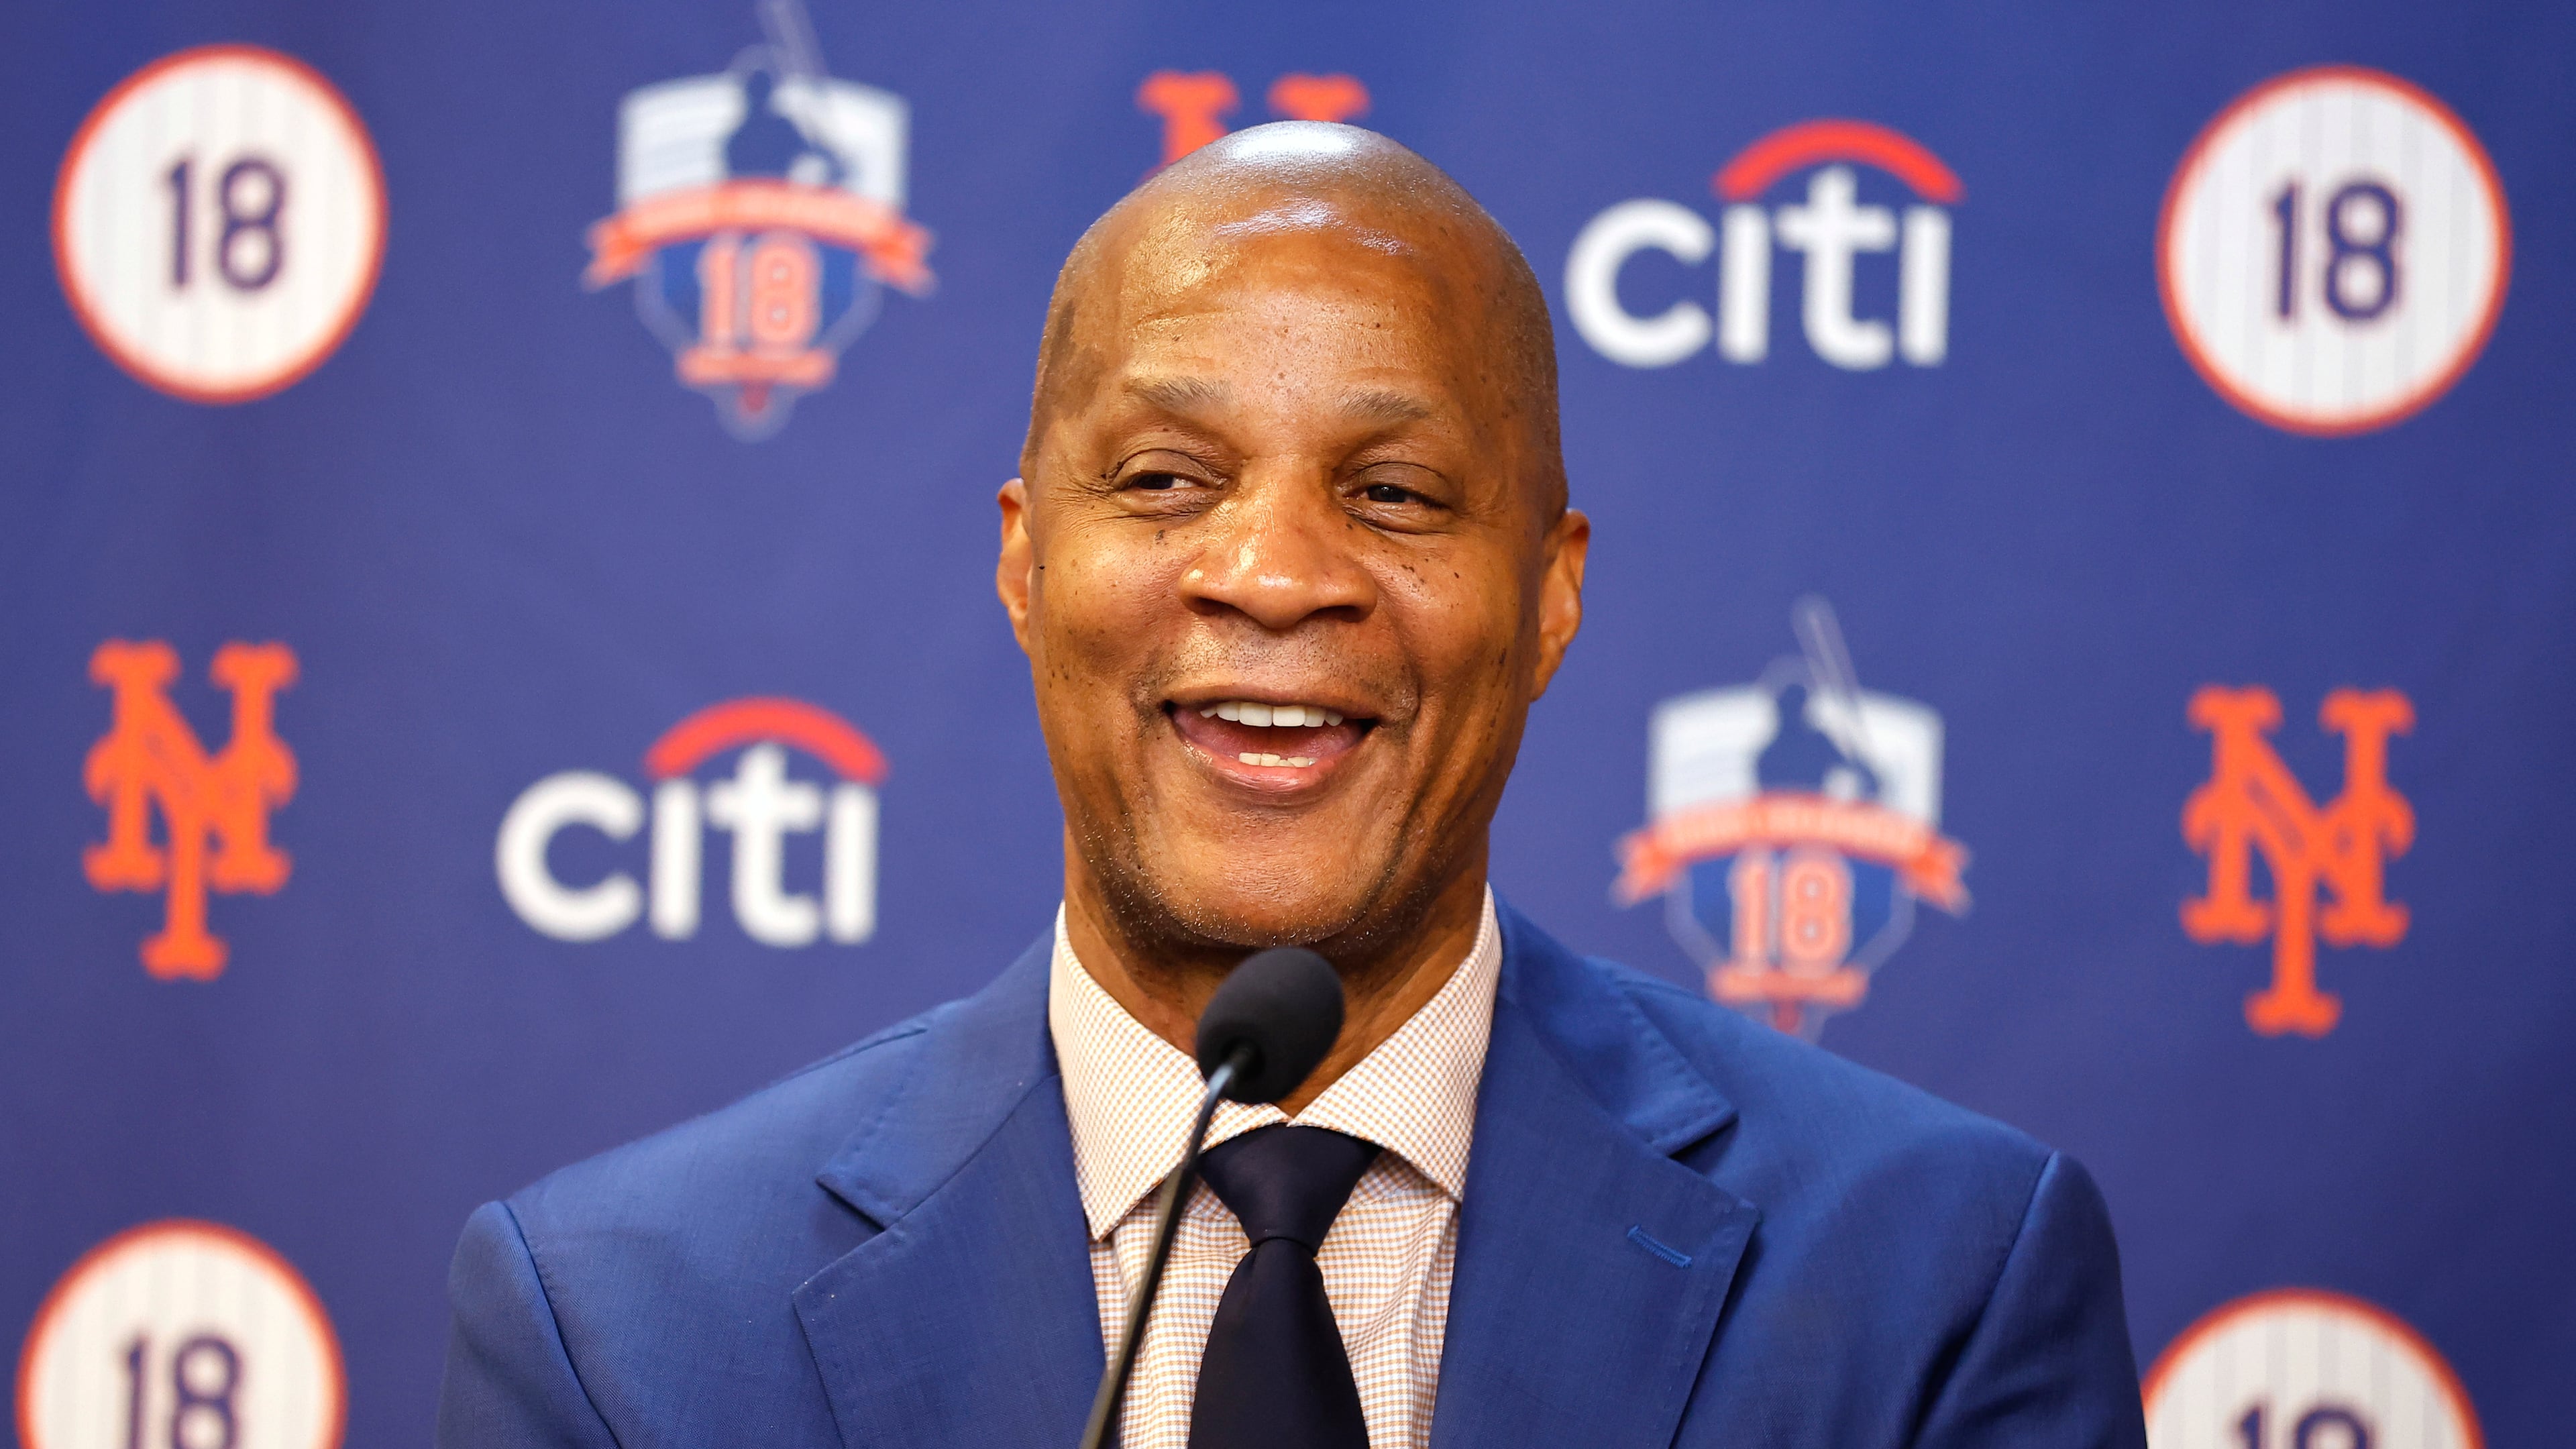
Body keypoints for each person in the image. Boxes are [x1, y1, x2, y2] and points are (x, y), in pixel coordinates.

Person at [437, 122, 2147, 1448]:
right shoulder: (623, 1324)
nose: (1271, 572)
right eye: (1169, 480)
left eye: (1395, 495)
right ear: (1027, 564)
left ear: (1551, 595)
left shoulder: (1936, 1275)